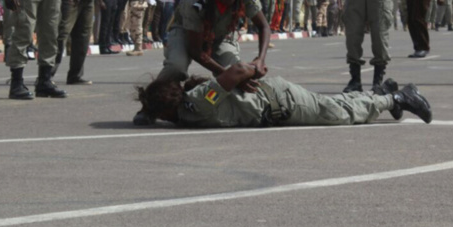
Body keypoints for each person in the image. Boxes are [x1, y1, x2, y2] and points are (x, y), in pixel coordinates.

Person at [134, 0, 271, 125]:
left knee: (236, 71)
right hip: (186, 32)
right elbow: (196, 51)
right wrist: (226, 74)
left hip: (221, 34)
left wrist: (260, 59)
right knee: (175, 67)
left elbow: (264, 26)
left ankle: (227, 109)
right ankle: (149, 108)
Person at [137, 62, 433, 128]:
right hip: (276, 101)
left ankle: (399, 98)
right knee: (336, 104)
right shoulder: (186, 110)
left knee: (339, 115)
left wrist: (254, 71)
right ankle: (381, 94)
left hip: (280, 101)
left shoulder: (198, 103)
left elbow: (237, 70)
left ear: (166, 110)